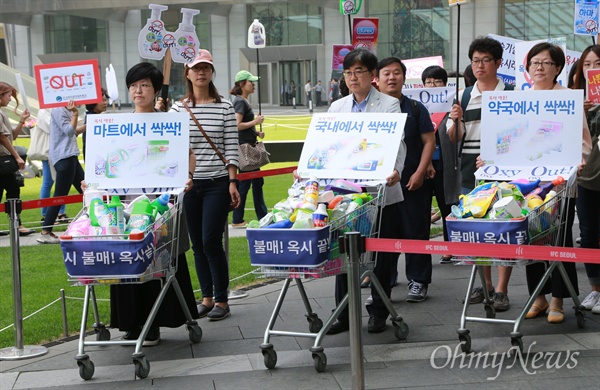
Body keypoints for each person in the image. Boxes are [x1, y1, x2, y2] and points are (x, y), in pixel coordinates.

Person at [110, 62, 199, 345]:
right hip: (126, 205)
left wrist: (188, 175)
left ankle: (155, 323)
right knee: (128, 258)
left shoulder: (169, 123)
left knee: (158, 259)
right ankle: (132, 323)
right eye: (134, 86)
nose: (138, 91)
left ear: (155, 89)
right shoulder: (118, 124)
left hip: (159, 205)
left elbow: (189, 155)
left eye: (145, 85)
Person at [326, 48, 405, 335]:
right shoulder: (338, 108)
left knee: (380, 256)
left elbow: (398, 143)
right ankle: (343, 314)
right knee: (343, 252)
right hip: (345, 192)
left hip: (380, 190)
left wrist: (395, 171)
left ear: (373, 75)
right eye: (348, 72)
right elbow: (327, 146)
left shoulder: (389, 105)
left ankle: (378, 312)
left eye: (359, 71)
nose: (352, 77)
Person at [522, 42, 592, 323]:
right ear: (527, 68)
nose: (539, 68)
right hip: (527, 184)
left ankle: (558, 299)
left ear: (558, 68)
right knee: (530, 238)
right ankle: (537, 296)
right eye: (534, 63)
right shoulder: (519, 100)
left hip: (560, 184)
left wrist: (578, 160)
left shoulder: (569, 99)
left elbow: (585, 143)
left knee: (559, 239)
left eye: (546, 63)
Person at [170, 49, 241, 321]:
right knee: (197, 243)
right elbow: (173, 146)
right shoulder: (178, 108)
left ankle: (222, 299)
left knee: (212, 240)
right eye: (196, 68)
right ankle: (207, 297)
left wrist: (233, 181)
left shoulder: (224, 107)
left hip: (217, 182)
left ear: (212, 73)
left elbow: (231, 147)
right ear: (187, 73)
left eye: (206, 68)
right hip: (188, 186)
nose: (201, 73)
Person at [447, 36, 515, 312]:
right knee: (478, 228)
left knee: (504, 226)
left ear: (498, 62)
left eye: (486, 60)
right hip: (469, 170)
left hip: (503, 169)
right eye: (476, 60)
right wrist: (454, 121)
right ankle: (485, 284)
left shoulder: (511, 93)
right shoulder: (465, 95)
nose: (480, 65)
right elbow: (456, 139)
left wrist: (498, 156)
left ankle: (502, 289)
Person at [376, 57, 436, 302]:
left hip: (412, 183)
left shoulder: (414, 108)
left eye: (397, 73)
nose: (392, 78)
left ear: (403, 77)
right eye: (386, 74)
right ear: (377, 79)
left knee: (416, 232)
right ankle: (383, 280)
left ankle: (419, 281)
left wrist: (420, 172)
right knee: (383, 234)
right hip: (381, 187)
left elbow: (429, 142)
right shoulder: (373, 110)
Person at [421, 66, 461, 264]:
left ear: (445, 84)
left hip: (445, 165)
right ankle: (421, 252)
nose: (432, 85)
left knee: (448, 208)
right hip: (422, 166)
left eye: (437, 81)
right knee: (422, 210)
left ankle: (450, 248)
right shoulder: (419, 105)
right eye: (428, 82)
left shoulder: (452, 105)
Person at [571, 45, 600, 314]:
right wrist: (580, 113)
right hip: (587, 178)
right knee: (589, 233)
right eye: (587, 65)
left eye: (598, 64)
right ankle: (595, 289)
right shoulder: (574, 101)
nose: (593, 70)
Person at [36, 99, 85, 244]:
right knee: (60, 195)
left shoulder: (63, 109)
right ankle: (45, 231)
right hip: (64, 157)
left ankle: (93, 224)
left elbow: (74, 131)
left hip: (70, 156)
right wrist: (75, 113)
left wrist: (91, 124)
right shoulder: (59, 109)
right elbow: (69, 132)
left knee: (85, 190)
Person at [229, 70, 268, 228]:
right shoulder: (240, 102)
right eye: (250, 82)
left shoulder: (242, 101)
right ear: (242, 84)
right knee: (246, 184)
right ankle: (238, 219)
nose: (253, 84)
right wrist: (255, 122)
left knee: (256, 182)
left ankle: (261, 215)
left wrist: (256, 132)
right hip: (245, 149)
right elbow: (236, 125)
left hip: (248, 146)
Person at [0, 81, 35, 236]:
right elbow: (2, 137)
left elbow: (11, 136)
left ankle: (17, 225)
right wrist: (17, 157)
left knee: (10, 190)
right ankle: (17, 225)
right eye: (8, 95)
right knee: (13, 190)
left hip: (3, 158)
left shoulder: (2, 113)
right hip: (3, 159)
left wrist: (22, 121)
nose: (10, 99)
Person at [34, 108, 67, 223]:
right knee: (48, 182)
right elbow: (54, 127)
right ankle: (45, 213)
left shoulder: (56, 109)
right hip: (48, 151)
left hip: (59, 150)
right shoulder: (44, 111)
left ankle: (61, 211)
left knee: (61, 182)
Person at [83, 88, 109, 161]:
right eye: (102, 100)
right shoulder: (93, 119)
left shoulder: (93, 117)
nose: (105, 103)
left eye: (106, 100)